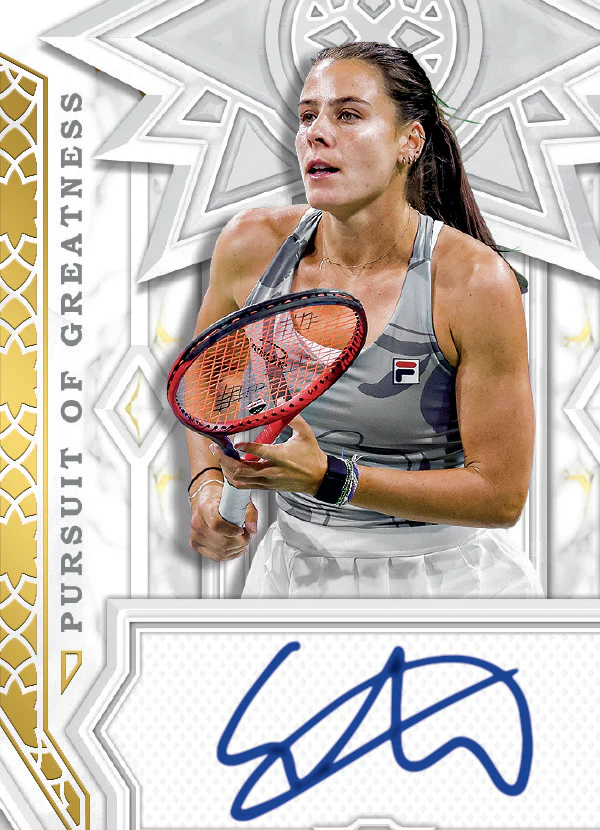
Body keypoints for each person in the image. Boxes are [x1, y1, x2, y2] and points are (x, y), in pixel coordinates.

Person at [185, 41, 542, 598]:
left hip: (448, 583)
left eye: (348, 115)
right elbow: (206, 392)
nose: (316, 133)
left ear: (409, 141)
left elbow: (501, 496)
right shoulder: (250, 246)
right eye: (308, 116)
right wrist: (207, 486)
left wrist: (331, 478)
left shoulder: (475, 282)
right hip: (292, 573)